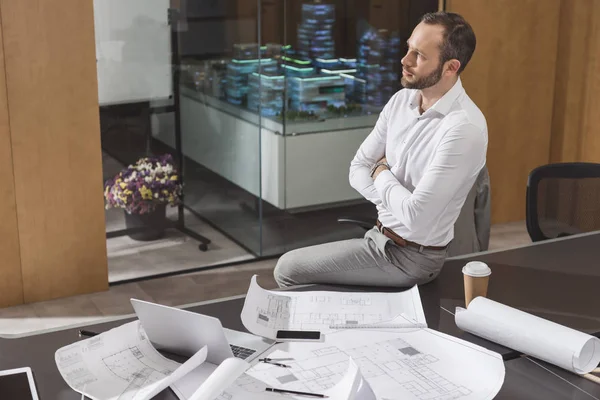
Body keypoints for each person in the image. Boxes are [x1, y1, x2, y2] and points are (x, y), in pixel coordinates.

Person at [274, 11, 488, 288]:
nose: (405, 60)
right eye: (408, 48)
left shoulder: (463, 128)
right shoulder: (401, 101)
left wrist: (381, 171)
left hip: (411, 258)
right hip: (380, 237)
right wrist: (392, 195)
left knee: (287, 269)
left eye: (419, 55)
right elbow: (357, 168)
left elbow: (416, 216)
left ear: (451, 67)